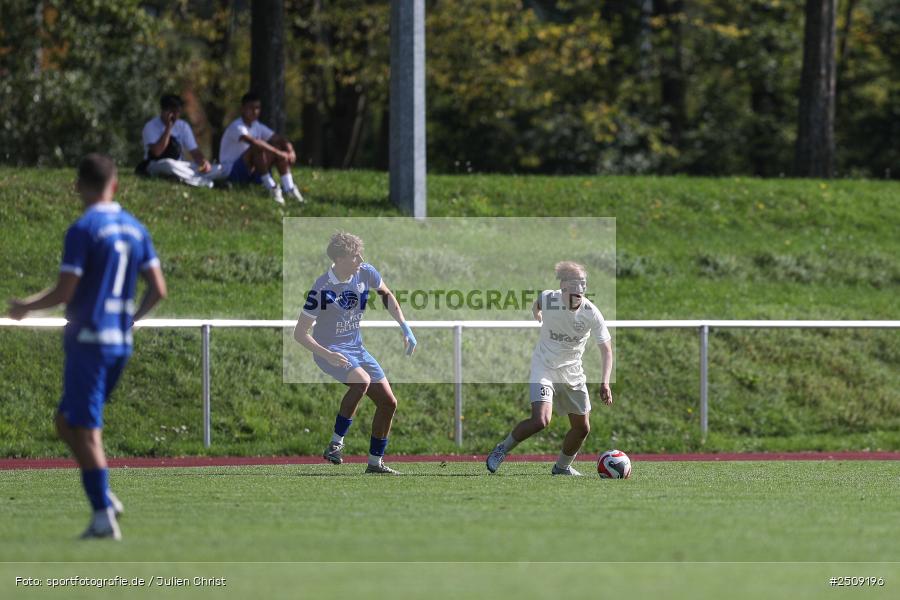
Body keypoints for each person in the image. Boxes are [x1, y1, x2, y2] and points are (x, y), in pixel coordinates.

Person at [8, 154, 167, 539]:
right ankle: (105, 496)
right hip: (118, 344)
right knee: (66, 422)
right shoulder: (135, 228)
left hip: (89, 341)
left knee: (86, 431)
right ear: (115, 185)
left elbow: (66, 291)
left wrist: (24, 308)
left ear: (78, 185)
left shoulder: (83, 229)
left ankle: (102, 517)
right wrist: (131, 319)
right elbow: (158, 289)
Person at [293, 232, 416, 474]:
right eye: (353, 255)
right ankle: (335, 443)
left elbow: (387, 295)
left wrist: (404, 326)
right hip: (330, 350)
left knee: (389, 402)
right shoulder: (322, 289)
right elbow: (300, 333)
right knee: (362, 381)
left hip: (357, 348)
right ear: (339, 258)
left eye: (360, 254)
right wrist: (326, 354)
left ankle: (375, 463)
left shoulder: (364, 272)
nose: (360, 259)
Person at [486, 261, 614, 476]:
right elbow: (537, 303)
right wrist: (537, 314)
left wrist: (605, 382)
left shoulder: (591, 313)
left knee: (582, 428)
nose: (580, 288)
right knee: (541, 420)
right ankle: (502, 449)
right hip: (544, 367)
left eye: (583, 283)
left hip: (572, 372)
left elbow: (607, 350)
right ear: (563, 286)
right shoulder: (549, 298)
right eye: (575, 283)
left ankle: (561, 467)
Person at [219, 92, 304, 205]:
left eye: (257, 108)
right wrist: (278, 153)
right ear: (243, 109)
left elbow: (279, 139)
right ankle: (271, 187)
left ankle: (289, 188)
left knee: (277, 147)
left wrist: (290, 150)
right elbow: (254, 143)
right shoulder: (236, 126)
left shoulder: (257, 126)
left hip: (252, 171)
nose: (255, 111)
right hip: (233, 171)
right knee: (258, 147)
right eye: (251, 108)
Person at [138, 94, 225, 188]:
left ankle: (189, 178)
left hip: (179, 165)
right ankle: (207, 183)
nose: (175, 116)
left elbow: (194, 151)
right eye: (172, 112)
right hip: (156, 164)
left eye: (177, 112)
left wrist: (203, 163)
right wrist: (168, 128)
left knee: (218, 168)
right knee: (169, 164)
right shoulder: (151, 126)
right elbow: (157, 152)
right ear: (164, 111)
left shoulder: (183, 126)